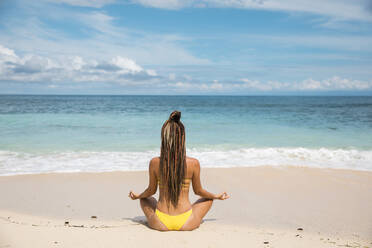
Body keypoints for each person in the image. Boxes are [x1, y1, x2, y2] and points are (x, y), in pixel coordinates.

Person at [128, 110, 229, 231]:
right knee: (208, 199)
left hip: (160, 222)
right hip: (186, 222)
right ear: (182, 138)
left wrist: (138, 196)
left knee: (145, 198)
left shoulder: (155, 162)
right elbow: (198, 191)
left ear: (164, 139)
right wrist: (216, 196)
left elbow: (150, 191)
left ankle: (155, 217)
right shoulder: (193, 163)